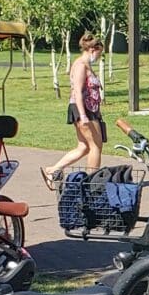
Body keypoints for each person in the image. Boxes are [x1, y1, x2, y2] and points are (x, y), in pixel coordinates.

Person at [42, 34, 106, 185]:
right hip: (82, 110)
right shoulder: (80, 65)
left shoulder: (86, 64)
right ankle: (92, 182)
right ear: (92, 49)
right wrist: (83, 115)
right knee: (95, 146)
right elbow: (77, 91)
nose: (99, 57)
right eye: (99, 53)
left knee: (83, 147)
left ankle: (52, 170)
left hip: (90, 110)